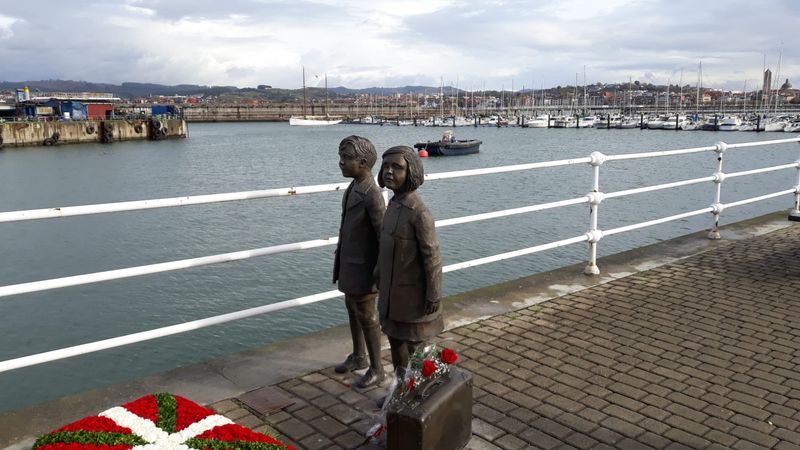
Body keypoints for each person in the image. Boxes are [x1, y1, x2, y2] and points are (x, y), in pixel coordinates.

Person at [376, 145, 443, 378]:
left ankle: (418, 391)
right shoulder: (392, 206)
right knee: (395, 342)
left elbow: (432, 257)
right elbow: (385, 246)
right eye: (385, 166)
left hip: (413, 297)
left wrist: (434, 293)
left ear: (411, 172)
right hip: (391, 294)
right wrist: (378, 272)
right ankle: (400, 389)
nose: (389, 172)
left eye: (397, 167)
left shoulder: (419, 214)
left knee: (415, 347)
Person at [333, 135, 386, 388]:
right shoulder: (353, 187)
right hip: (349, 263)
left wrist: (379, 268)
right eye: (341, 157)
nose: (341, 163)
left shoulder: (372, 194)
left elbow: (382, 233)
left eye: (346, 158)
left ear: (363, 163)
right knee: (351, 308)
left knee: (367, 314)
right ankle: (359, 355)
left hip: (365, 268)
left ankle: (377, 368)